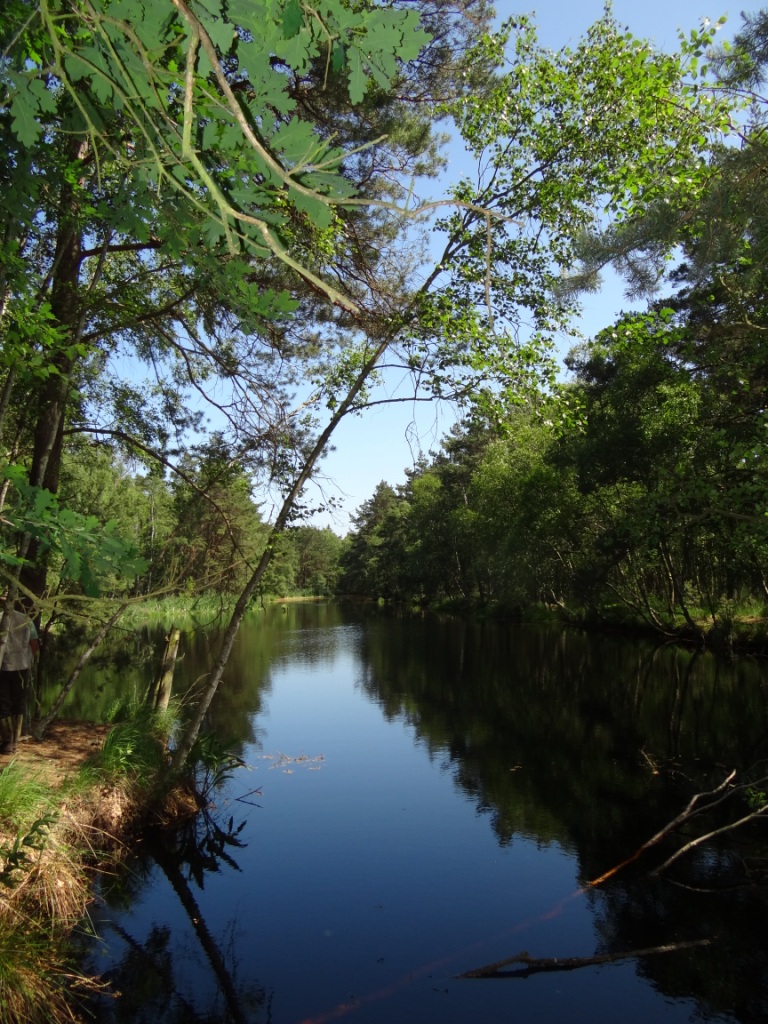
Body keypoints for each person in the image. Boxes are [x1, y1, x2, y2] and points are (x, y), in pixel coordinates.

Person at [0, 600, 39, 755]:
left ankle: (7, 741)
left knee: (3, 703)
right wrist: (31, 660)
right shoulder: (26, 620)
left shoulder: (1, 618)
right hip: (22, 666)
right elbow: (34, 643)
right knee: (19, 703)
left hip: (3, 666)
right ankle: (14, 742)